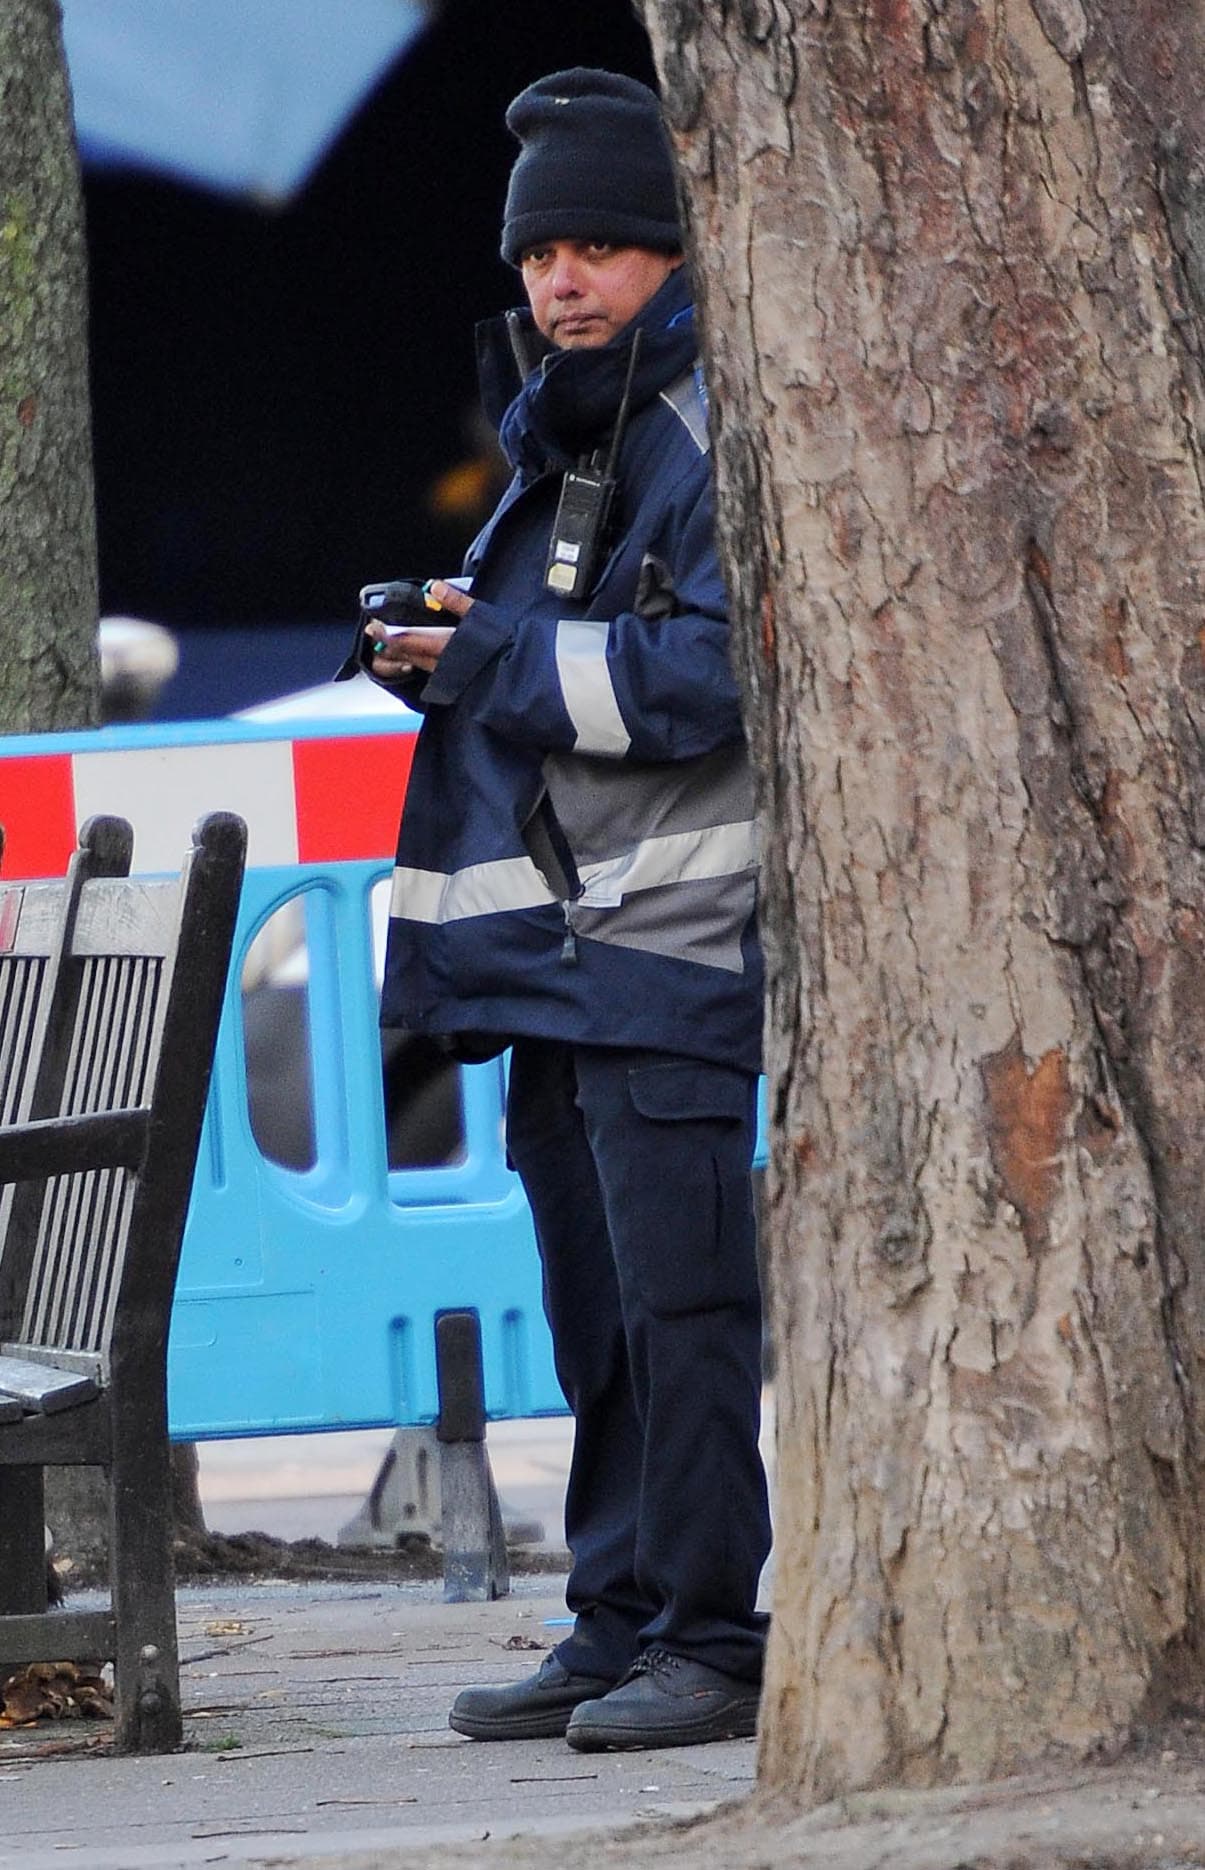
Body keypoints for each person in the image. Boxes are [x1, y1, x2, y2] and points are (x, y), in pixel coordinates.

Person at [362, 67, 771, 1752]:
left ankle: (714, 1639)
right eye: (543, 255)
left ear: (679, 259)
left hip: (662, 955)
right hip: (556, 960)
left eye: (606, 247)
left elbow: (712, 681)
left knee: (685, 1315)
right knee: (602, 1314)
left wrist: (497, 660)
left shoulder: (699, 431)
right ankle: (617, 1615)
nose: (564, 283)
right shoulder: (571, 431)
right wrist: (456, 640)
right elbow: (575, 660)